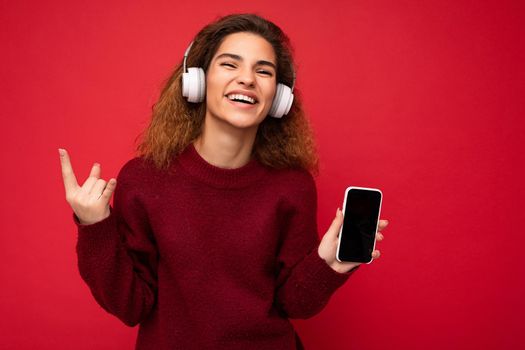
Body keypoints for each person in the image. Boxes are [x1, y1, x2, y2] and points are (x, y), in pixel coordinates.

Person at [59, 13, 388, 350]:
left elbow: (295, 304)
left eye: (263, 71)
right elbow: (132, 306)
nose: (247, 79)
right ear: (197, 81)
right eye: (230, 65)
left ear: (278, 98)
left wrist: (329, 264)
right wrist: (94, 225)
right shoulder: (144, 179)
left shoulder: (292, 186)